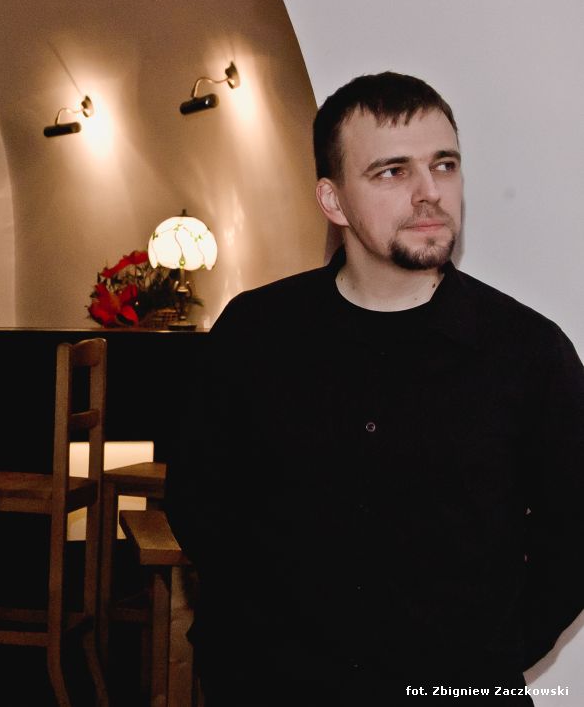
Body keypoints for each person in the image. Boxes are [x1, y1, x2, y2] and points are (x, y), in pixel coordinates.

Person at [166, 72, 584, 705]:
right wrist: (258, 642)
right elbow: (200, 500)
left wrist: (483, 660)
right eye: (392, 172)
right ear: (333, 201)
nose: (429, 192)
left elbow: (574, 531)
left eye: (444, 165)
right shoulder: (255, 333)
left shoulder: (528, 352)